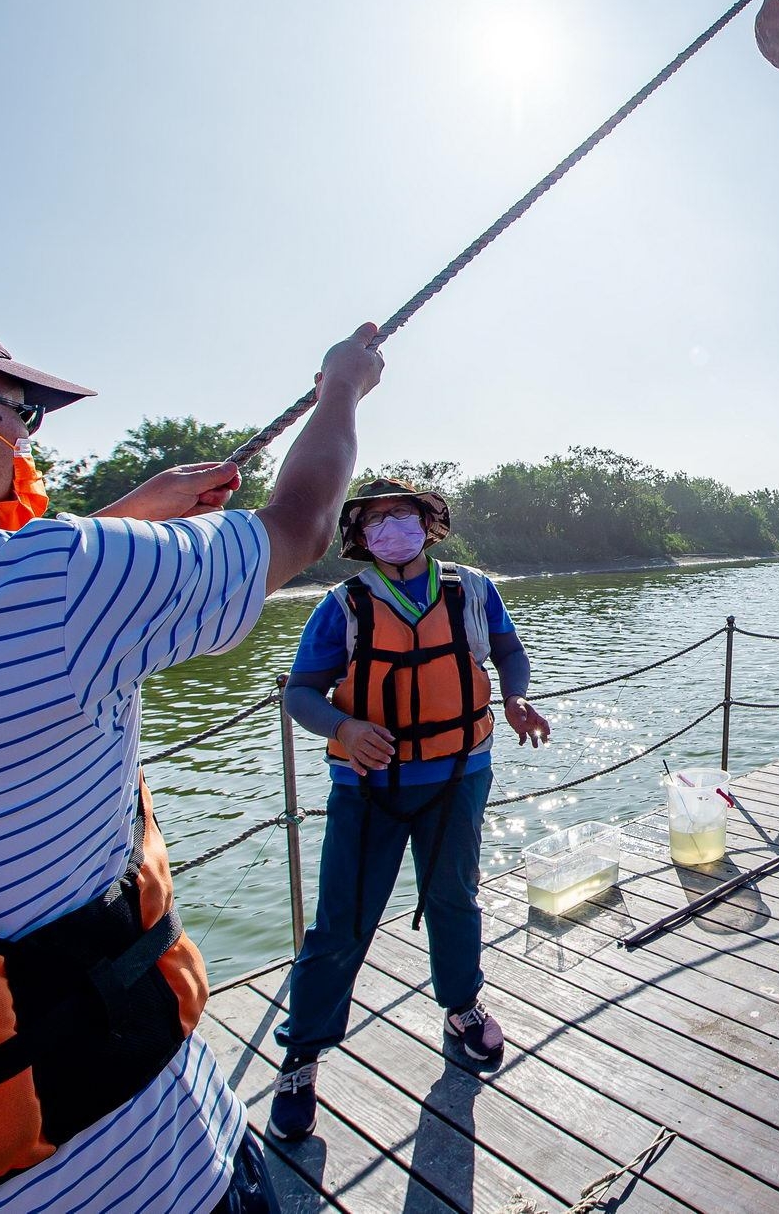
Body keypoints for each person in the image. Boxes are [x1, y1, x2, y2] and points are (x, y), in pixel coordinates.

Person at [0, 255, 384, 1214]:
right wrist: (341, 389)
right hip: (145, 1186)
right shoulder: (59, 584)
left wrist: (123, 518)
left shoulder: (22, 589)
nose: (19, 450)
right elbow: (303, 521)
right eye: (12, 414)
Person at [268, 478, 551, 1140]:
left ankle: (462, 1006)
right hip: (369, 787)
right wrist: (341, 729)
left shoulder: (473, 590)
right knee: (342, 920)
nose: (390, 527)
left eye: (402, 514)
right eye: (374, 521)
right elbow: (303, 692)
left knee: (455, 895)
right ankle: (301, 1055)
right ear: (360, 537)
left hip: (460, 773)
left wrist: (513, 696)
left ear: (429, 524)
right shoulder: (343, 606)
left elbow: (508, 649)